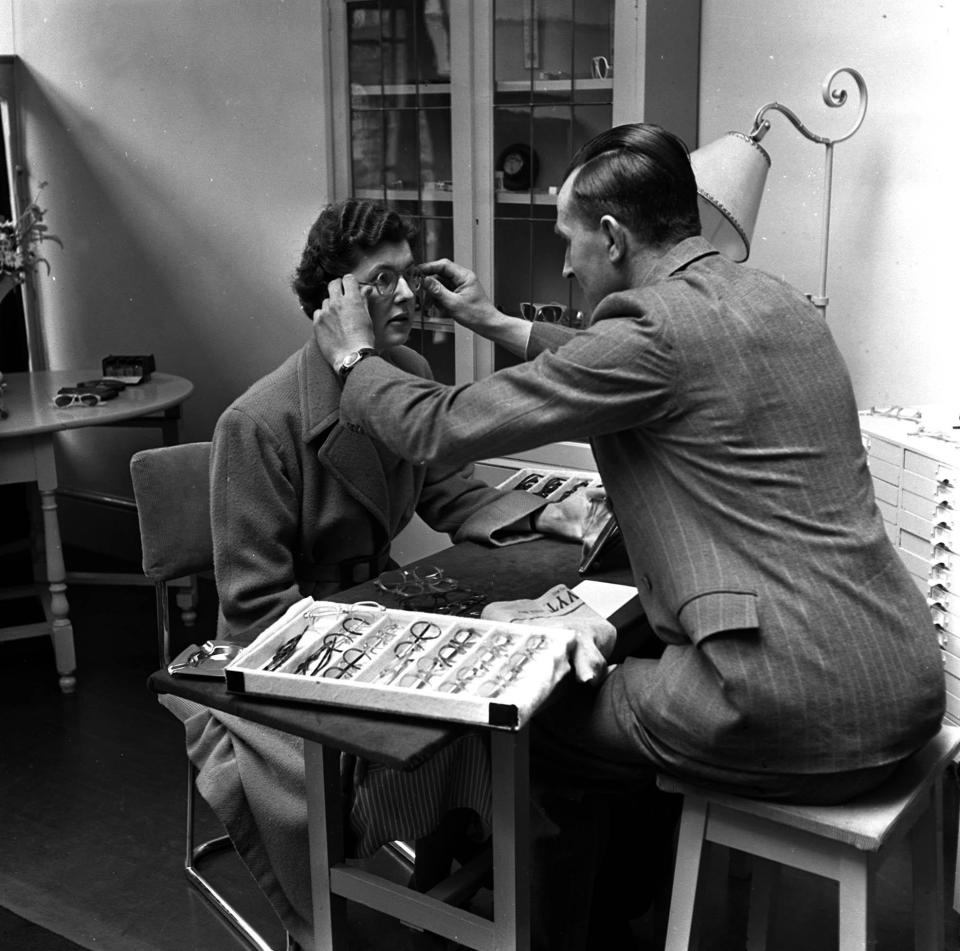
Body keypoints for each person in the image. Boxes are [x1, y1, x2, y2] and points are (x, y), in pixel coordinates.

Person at [313, 124, 946, 948]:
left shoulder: (651, 336)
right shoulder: (774, 301)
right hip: (900, 682)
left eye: (568, 242)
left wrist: (355, 359)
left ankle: (563, 930)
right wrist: (495, 321)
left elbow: (440, 426)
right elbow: (621, 359)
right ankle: (627, 904)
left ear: (611, 236)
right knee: (615, 671)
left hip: (792, 711)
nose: (567, 266)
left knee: (532, 720)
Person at [170, 198, 585, 949]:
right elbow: (257, 604)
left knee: (494, 704)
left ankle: (474, 875)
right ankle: (338, 918)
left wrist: (542, 512)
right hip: (283, 653)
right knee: (400, 749)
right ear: (333, 303)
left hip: (376, 609)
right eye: (380, 281)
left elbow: (444, 483)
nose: (404, 296)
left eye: (407, 276)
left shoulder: (404, 372)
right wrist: (379, 643)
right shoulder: (259, 422)